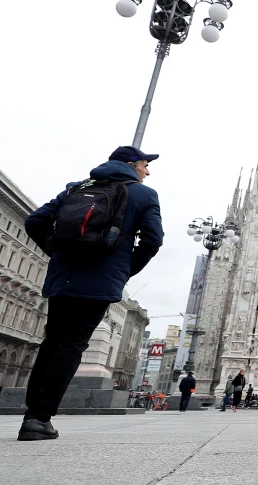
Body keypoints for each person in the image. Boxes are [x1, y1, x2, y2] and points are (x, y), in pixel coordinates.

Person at [19, 146, 164, 441]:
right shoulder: (143, 195)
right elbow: (153, 240)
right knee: (72, 345)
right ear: (131, 164)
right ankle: (39, 418)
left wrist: (58, 254)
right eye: (145, 165)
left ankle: (32, 415)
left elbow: (35, 221)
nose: (148, 171)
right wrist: (123, 270)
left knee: (52, 344)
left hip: (63, 279)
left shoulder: (78, 187)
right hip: (99, 283)